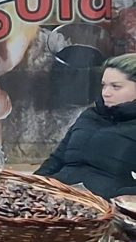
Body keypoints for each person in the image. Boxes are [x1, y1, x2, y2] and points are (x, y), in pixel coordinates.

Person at [38, 55, 136, 199]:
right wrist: (31, 186)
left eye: (116, 87)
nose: (106, 93)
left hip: (102, 205)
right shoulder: (89, 116)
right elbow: (56, 160)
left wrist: (112, 199)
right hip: (54, 197)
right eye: (104, 85)